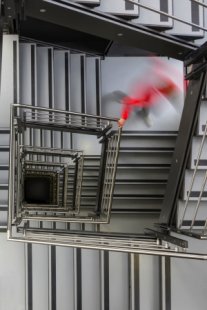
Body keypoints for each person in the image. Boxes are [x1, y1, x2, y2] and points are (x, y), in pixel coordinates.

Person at [116, 59, 182, 127]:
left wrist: (154, 59)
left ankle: (145, 111)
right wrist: (123, 118)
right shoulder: (144, 92)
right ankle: (144, 113)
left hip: (152, 91)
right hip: (142, 95)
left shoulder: (162, 79)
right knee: (144, 104)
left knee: (154, 106)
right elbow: (129, 102)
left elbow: (160, 66)